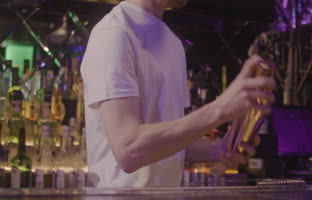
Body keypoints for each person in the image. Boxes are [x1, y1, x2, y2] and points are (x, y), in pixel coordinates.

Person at [80, 0, 275, 187]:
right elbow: (128, 150)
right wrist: (221, 108)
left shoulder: (173, 43)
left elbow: (169, 144)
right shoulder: (114, 33)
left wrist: (218, 149)